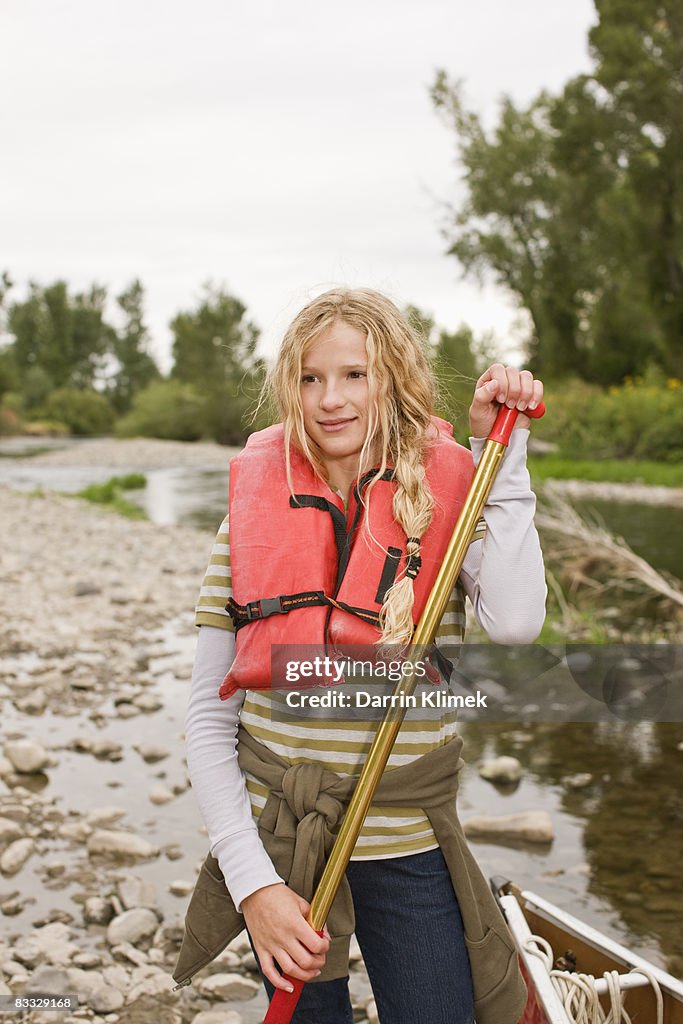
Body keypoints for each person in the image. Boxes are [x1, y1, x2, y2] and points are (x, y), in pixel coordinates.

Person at [182, 287, 546, 1024]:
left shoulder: (446, 504)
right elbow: (207, 717)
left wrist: (498, 464)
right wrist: (253, 887)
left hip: (407, 845)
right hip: (282, 844)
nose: (329, 399)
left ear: (394, 382)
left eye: (354, 375)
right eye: (310, 379)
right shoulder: (249, 517)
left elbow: (514, 623)